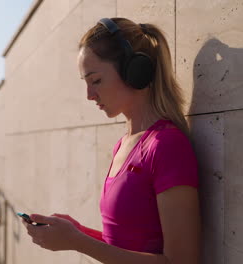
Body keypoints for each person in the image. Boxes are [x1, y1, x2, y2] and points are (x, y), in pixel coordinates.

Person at [21, 17, 201, 264]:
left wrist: (78, 241)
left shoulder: (167, 145)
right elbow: (122, 245)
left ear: (135, 71)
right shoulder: (124, 144)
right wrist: (76, 233)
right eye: (86, 83)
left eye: (95, 81)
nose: (89, 95)